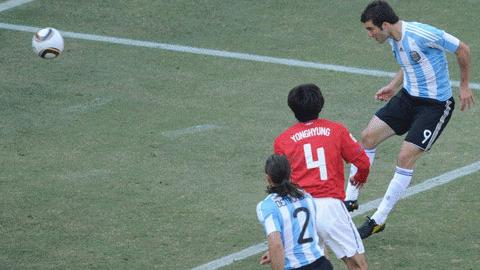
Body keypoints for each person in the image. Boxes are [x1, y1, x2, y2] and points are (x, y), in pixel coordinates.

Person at [344, 0, 475, 239]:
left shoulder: (421, 34)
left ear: (384, 25)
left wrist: (464, 85)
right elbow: (411, 62)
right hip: (407, 98)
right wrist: (394, 86)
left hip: (435, 106)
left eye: (371, 29)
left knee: (404, 158)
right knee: (368, 137)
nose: (370, 35)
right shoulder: (394, 37)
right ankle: (350, 200)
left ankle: (378, 220)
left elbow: (463, 49)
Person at [274, 83, 370, 270]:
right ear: (320, 104)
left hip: (301, 210)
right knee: (357, 265)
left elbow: (280, 184)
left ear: (293, 108)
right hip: (330, 208)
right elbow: (363, 163)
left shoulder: (282, 141)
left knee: (315, 264)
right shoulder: (337, 130)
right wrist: (360, 178)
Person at [256, 154, 334, 270]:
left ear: (268, 178)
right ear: (290, 173)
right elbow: (315, 234)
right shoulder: (307, 197)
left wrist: (274, 252)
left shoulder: (266, 206)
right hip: (321, 263)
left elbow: (276, 245)